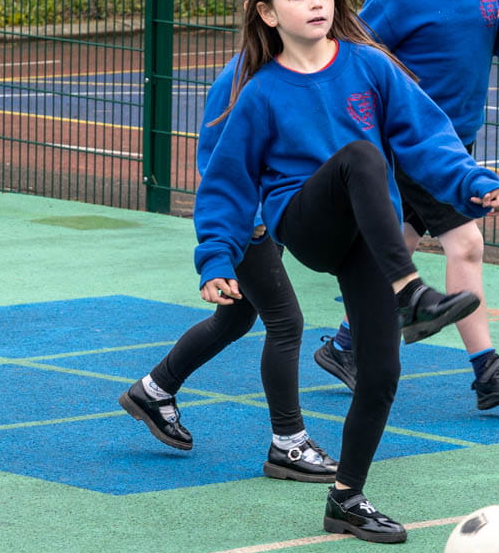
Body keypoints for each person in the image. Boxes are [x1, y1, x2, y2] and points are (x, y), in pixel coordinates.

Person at [194, 0, 499, 543]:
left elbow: (427, 138)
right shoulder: (259, 91)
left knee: (382, 371)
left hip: (370, 235)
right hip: (306, 221)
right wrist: (215, 256)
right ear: (267, 14)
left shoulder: (370, 66)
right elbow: (226, 181)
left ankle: (347, 498)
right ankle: (411, 292)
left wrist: (473, 181)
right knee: (362, 156)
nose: (315, 3)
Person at [313, 0, 499, 411]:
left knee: (400, 244)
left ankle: (345, 346)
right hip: (414, 146)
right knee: (466, 243)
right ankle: (488, 371)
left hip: (455, 143)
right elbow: (356, 54)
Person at [118, 56, 338, 484]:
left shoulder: (306, 67)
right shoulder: (241, 77)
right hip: (247, 220)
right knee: (286, 322)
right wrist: (251, 214)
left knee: (237, 315)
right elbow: (215, 159)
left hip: (277, 213)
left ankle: (154, 389)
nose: (314, 7)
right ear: (264, 10)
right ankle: (288, 443)